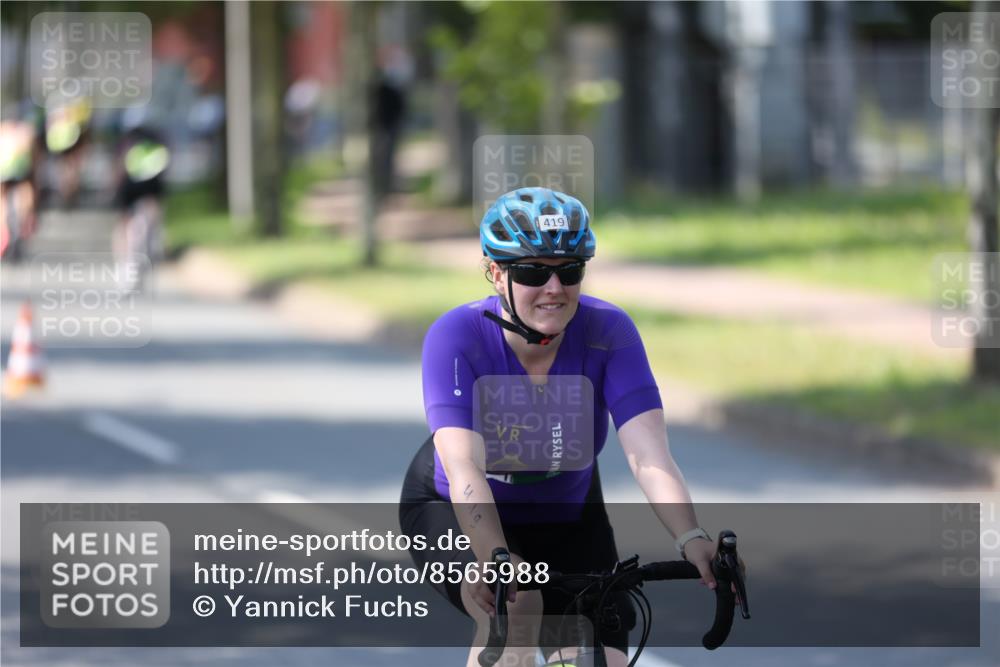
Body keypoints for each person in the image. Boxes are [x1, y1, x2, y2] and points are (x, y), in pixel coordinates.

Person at [399, 187, 725, 667]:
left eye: (570, 270)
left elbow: (649, 454)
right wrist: (494, 558)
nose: (555, 287)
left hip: (567, 507)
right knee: (517, 609)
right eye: (533, 271)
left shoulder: (609, 331)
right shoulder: (456, 335)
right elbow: (464, 466)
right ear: (495, 273)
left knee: (599, 657)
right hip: (457, 504)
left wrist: (690, 536)